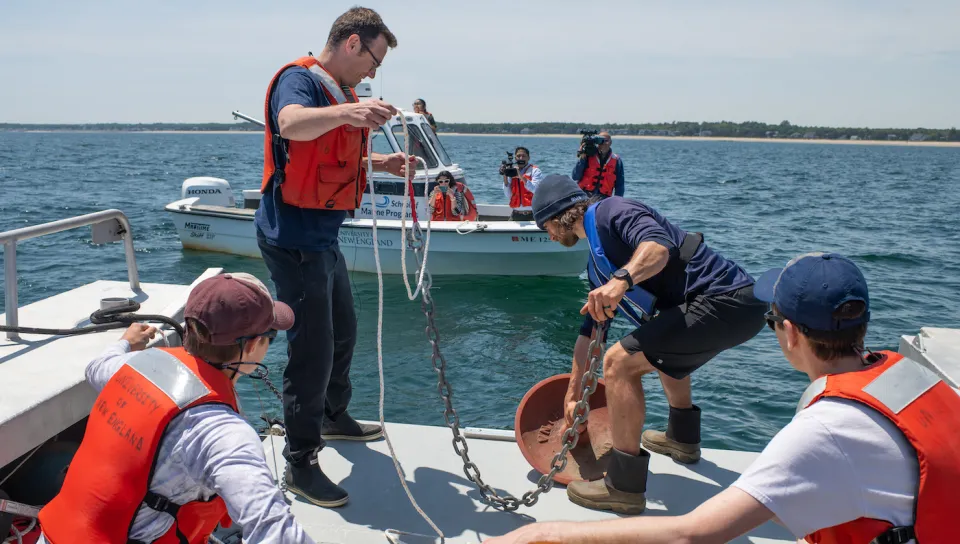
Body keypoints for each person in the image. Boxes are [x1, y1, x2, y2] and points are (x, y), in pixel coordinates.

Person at [486, 253, 960, 543]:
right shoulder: (910, 375)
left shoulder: (827, 430)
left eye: (772, 322)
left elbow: (693, 534)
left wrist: (550, 533)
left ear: (790, 334)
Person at [254, 6, 417, 507]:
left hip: (323, 238)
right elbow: (291, 125)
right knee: (311, 351)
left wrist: (382, 162)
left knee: (344, 330)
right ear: (351, 43)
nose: (372, 73)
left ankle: (331, 414)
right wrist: (350, 113)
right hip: (293, 239)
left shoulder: (340, 93)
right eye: (373, 61)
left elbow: (331, 151)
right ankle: (301, 463)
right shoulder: (300, 81)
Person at [529, 174, 766, 514]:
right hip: (731, 308)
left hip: (728, 300)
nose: (549, 237)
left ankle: (623, 487)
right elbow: (590, 334)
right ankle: (682, 440)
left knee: (618, 363)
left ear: (559, 216)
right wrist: (572, 397)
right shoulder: (596, 266)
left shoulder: (612, 211)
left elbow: (657, 247)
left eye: (546, 228)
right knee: (659, 344)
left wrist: (620, 281)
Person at [37, 273, 318, 543]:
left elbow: (96, 367)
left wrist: (125, 343)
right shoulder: (221, 432)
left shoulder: (136, 365)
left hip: (54, 533)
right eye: (271, 336)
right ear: (254, 345)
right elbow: (277, 533)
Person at [572, 131, 624, 198]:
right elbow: (575, 176)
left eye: (606, 140)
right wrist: (582, 158)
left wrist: (617, 200)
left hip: (604, 198)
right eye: (601, 140)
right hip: (584, 195)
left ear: (611, 142)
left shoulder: (616, 160)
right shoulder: (588, 156)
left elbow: (620, 185)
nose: (603, 143)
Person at [501, 146, 543, 221]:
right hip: (515, 214)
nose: (521, 158)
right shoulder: (512, 171)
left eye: (523, 156)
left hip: (532, 215)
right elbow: (508, 194)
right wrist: (505, 174)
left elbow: (536, 189)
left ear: (528, 158)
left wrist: (520, 176)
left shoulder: (535, 171)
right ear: (515, 158)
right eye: (518, 156)